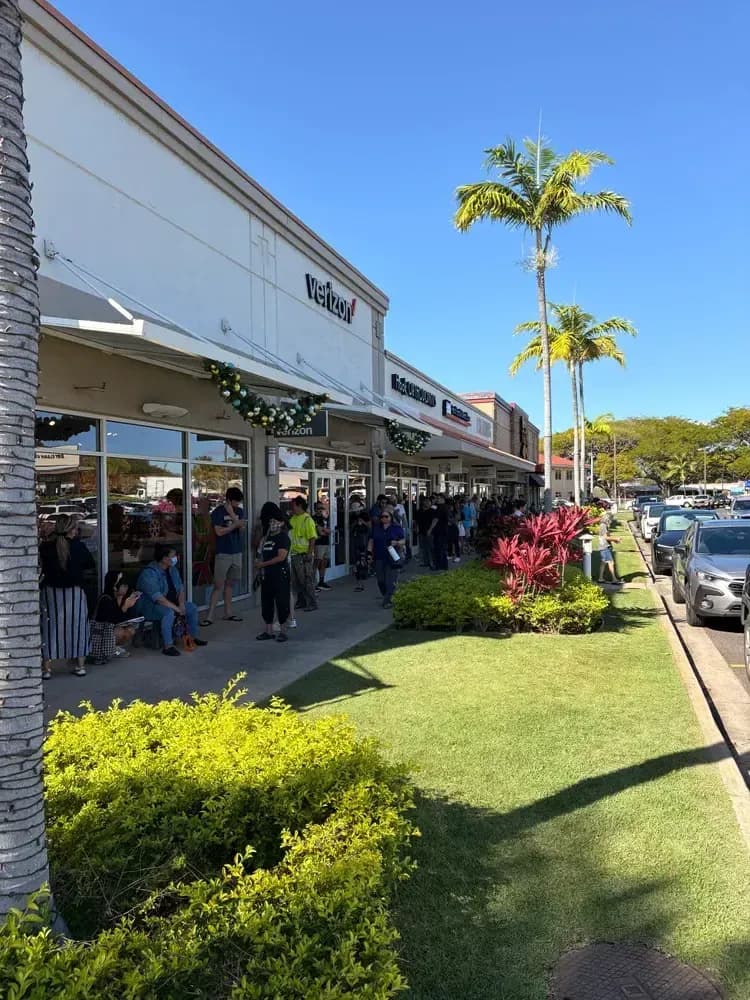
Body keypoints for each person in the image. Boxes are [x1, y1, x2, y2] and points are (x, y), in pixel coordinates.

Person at [40, 513, 95, 678]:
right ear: (72, 530)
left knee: (50, 629)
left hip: (50, 593)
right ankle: (80, 666)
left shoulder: (46, 547)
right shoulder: (78, 547)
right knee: (77, 628)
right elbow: (90, 564)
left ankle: (47, 669)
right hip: (74, 592)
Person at [137, 544, 207, 656]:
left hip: (172, 603)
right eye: (173, 555)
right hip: (150, 606)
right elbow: (158, 598)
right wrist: (177, 609)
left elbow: (180, 589)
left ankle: (192, 638)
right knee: (168, 613)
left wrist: (181, 604)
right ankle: (168, 646)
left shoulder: (172, 570)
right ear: (164, 558)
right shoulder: (149, 573)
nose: (176, 558)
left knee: (192, 608)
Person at [203, 487, 246, 626]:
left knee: (230, 584)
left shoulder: (238, 511)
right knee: (218, 585)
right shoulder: (217, 512)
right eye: (235, 502)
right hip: (223, 553)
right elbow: (219, 532)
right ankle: (210, 615)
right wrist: (235, 525)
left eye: (239, 502)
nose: (238, 505)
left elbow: (242, 528)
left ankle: (228, 613)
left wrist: (232, 514)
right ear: (228, 500)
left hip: (237, 552)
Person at [90, 570, 142, 664]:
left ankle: (113, 648)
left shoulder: (123, 597)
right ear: (113, 585)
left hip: (112, 628)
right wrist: (125, 606)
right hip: (102, 632)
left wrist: (129, 606)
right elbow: (111, 620)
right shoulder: (106, 599)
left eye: (126, 585)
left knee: (130, 629)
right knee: (121, 632)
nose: (126, 588)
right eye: (123, 585)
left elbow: (124, 618)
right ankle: (109, 650)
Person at [255, 514, 291, 643]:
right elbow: (260, 554)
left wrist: (262, 564)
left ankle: (283, 631)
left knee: (282, 602)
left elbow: (281, 557)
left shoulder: (283, 538)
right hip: (267, 575)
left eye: (275, 521)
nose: (272, 523)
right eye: (270, 521)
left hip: (280, 574)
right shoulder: (266, 539)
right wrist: (258, 564)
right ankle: (268, 631)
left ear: (281, 523)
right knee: (266, 603)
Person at [368, 508, 406, 608]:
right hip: (379, 557)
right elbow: (371, 541)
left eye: (386, 516)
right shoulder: (376, 528)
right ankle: (388, 596)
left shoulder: (396, 528)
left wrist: (397, 542)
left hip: (393, 557)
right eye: (382, 517)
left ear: (391, 517)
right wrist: (369, 553)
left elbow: (403, 540)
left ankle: (387, 601)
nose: (384, 518)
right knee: (381, 580)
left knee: (391, 580)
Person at [288, 496, 318, 611]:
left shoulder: (307, 520)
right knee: (296, 581)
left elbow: (312, 538)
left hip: (303, 555)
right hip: (294, 554)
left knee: (306, 580)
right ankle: (302, 601)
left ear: (299, 506)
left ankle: (312, 602)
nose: (292, 508)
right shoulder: (293, 518)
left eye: (294, 505)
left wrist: (309, 553)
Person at [312, 501, 332, 591]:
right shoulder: (313, 519)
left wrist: (324, 530)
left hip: (326, 542)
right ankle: (312, 582)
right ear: (315, 509)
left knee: (324, 562)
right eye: (319, 508)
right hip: (318, 543)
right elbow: (319, 532)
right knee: (316, 562)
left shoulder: (325, 518)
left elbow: (329, 531)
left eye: (322, 508)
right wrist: (324, 531)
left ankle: (321, 581)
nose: (321, 510)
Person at [350, 509, 371, 591]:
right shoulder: (354, 522)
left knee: (362, 564)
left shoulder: (365, 519)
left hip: (364, 545)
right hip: (356, 545)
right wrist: (356, 523)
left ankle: (362, 583)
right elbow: (351, 529)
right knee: (357, 565)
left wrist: (363, 522)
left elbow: (369, 530)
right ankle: (359, 584)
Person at [598, 515, 622, 585]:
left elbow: (607, 537)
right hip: (605, 547)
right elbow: (606, 538)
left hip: (603, 546)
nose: (611, 521)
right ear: (607, 519)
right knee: (610, 562)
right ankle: (614, 579)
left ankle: (600, 578)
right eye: (610, 519)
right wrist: (616, 539)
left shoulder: (603, 525)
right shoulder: (603, 526)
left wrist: (614, 541)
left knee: (603, 562)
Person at [428, 495, 449, 571]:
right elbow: (431, 510)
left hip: (440, 531)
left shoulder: (441, 507)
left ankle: (438, 566)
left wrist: (430, 529)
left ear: (443, 499)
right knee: (442, 549)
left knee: (439, 549)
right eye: (436, 498)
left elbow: (435, 519)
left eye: (438, 498)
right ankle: (443, 565)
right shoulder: (441, 506)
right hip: (442, 531)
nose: (437, 499)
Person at [416, 497, 434, 568]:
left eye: (428, 501)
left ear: (430, 503)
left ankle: (432, 562)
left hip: (430, 532)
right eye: (425, 501)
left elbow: (434, 522)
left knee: (431, 548)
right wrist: (416, 528)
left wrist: (430, 530)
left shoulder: (432, 511)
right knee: (423, 548)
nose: (426, 503)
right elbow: (417, 521)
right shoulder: (419, 511)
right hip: (421, 531)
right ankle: (425, 562)